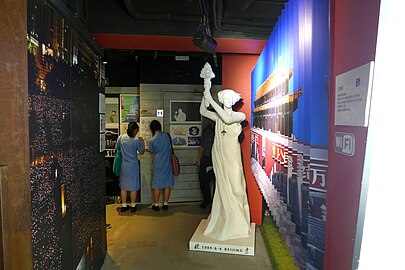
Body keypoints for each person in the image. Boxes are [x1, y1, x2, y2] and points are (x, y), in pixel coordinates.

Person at [199, 65, 251, 241]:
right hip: (220, 154)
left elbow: (227, 118)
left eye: (231, 97)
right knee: (222, 187)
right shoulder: (217, 116)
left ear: (234, 100)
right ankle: (224, 220)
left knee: (236, 187)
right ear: (223, 99)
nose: (228, 100)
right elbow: (203, 111)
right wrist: (206, 92)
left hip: (233, 158)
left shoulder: (239, 116)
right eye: (225, 97)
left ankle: (238, 223)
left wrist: (212, 100)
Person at [117, 122, 145, 212]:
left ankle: (123, 206)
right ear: (135, 130)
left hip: (123, 165)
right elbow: (142, 152)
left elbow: (117, 149)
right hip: (133, 166)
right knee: (134, 186)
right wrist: (143, 142)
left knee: (123, 187)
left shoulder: (121, 138)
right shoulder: (136, 140)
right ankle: (133, 206)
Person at [148, 120, 175, 211]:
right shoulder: (167, 136)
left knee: (157, 185)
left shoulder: (152, 140)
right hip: (167, 163)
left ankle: (156, 205)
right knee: (167, 184)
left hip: (157, 164)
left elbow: (152, 151)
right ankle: (166, 204)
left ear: (151, 129)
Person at [195, 120, 215, 209]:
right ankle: (207, 200)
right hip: (206, 158)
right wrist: (199, 159)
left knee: (216, 182)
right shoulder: (206, 130)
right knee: (203, 180)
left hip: (216, 159)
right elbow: (202, 145)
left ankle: (215, 203)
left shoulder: (220, 129)